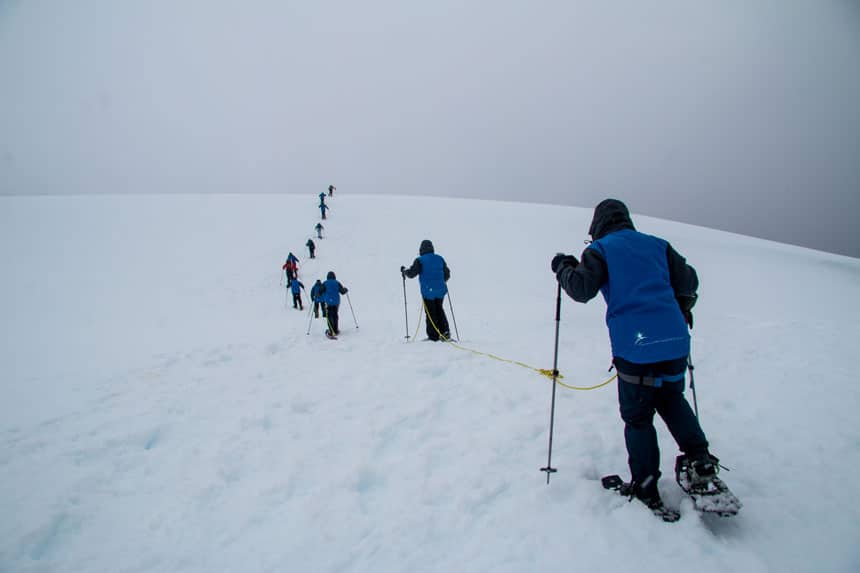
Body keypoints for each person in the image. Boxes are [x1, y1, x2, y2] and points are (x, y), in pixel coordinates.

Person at [551, 198, 716, 512]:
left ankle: (645, 484)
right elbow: (690, 281)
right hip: (675, 340)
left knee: (638, 418)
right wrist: (683, 306)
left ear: (597, 225)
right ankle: (700, 461)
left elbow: (582, 290)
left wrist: (563, 267)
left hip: (636, 346)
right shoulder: (658, 245)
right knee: (670, 398)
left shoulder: (601, 250)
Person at [402, 239, 450, 341]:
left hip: (428, 291)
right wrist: (440, 281)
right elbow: (447, 274)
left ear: (421, 249)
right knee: (439, 309)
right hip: (440, 290)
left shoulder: (420, 260)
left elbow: (412, 273)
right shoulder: (440, 259)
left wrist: (404, 271)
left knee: (430, 312)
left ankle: (433, 337)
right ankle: (445, 332)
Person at [319, 271, 348, 337]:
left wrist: (317, 294)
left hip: (328, 302)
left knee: (329, 316)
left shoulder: (325, 283)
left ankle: (331, 331)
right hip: (336, 302)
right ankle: (336, 329)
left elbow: (320, 291)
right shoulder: (337, 283)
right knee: (335, 315)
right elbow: (342, 292)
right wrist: (345, 289)